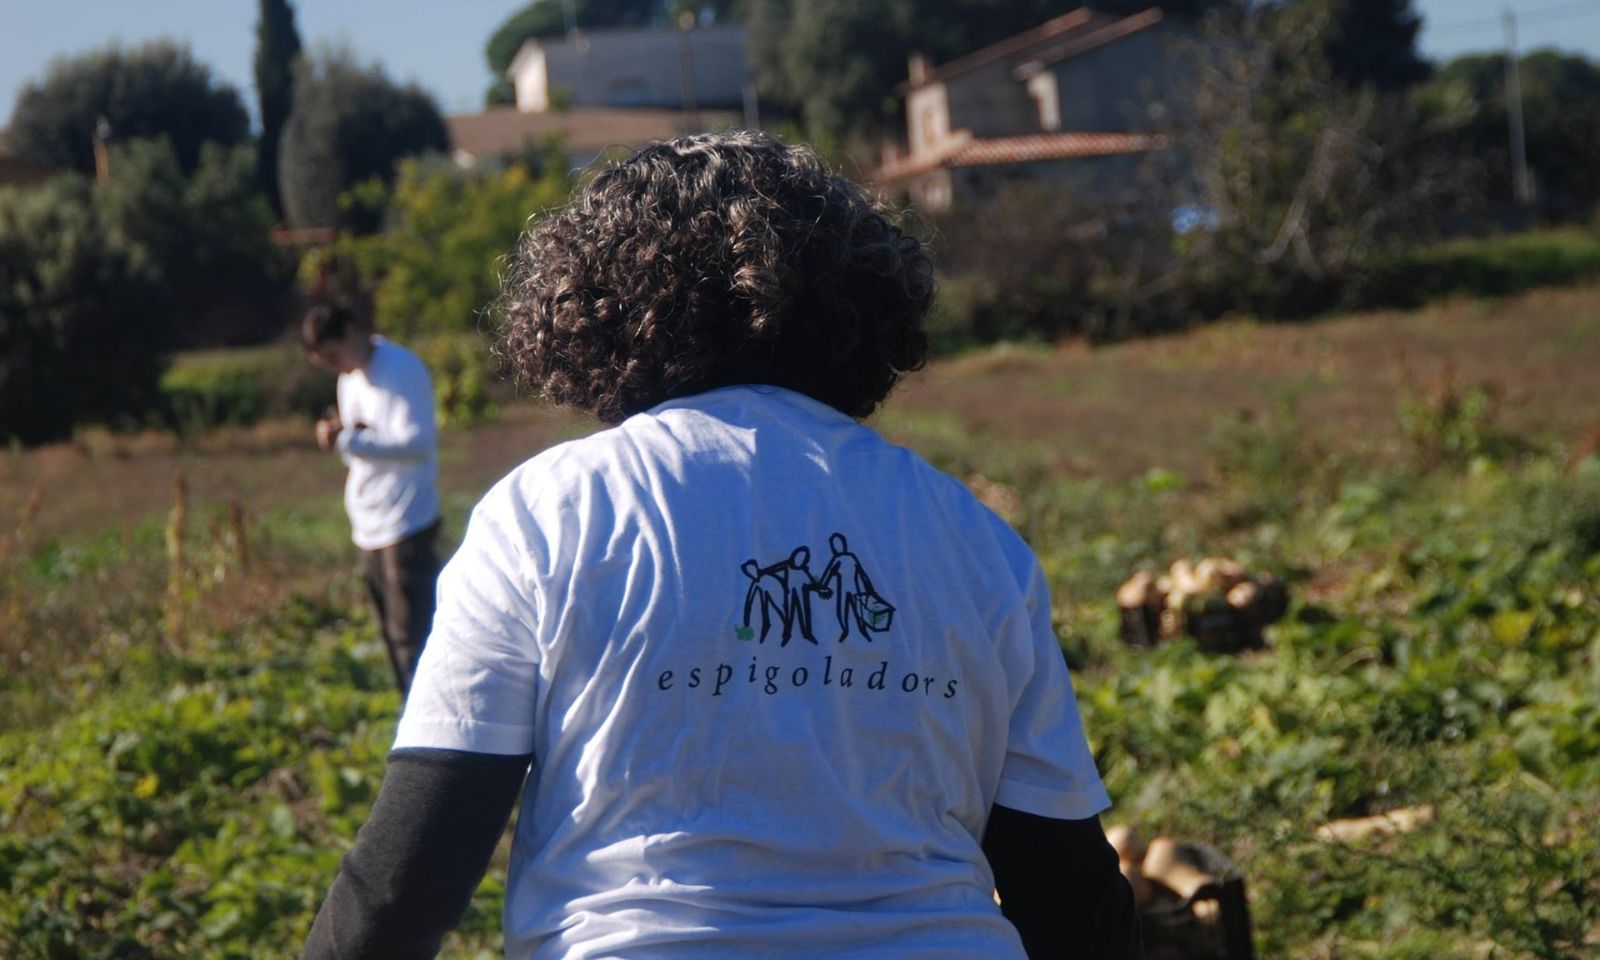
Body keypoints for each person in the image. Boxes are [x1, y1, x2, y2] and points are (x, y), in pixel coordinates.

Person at [301, 132, 1139, 960]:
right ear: (861, 310)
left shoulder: (548, 514)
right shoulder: (976, 540)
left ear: (595, 311)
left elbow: (407, 884)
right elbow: (1068, 897)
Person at [303, 303, 441, 694]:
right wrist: (342, 437)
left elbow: (418, 443)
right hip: (368, 522)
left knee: (413, 634)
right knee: (389, 635)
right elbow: (360, 447)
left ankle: (432, 715)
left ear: (351, 331)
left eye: (334, 356)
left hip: (407, 519)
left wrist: (349, 438)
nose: (335, 368)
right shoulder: (349, 380)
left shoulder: (401, 369)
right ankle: (407, 712)